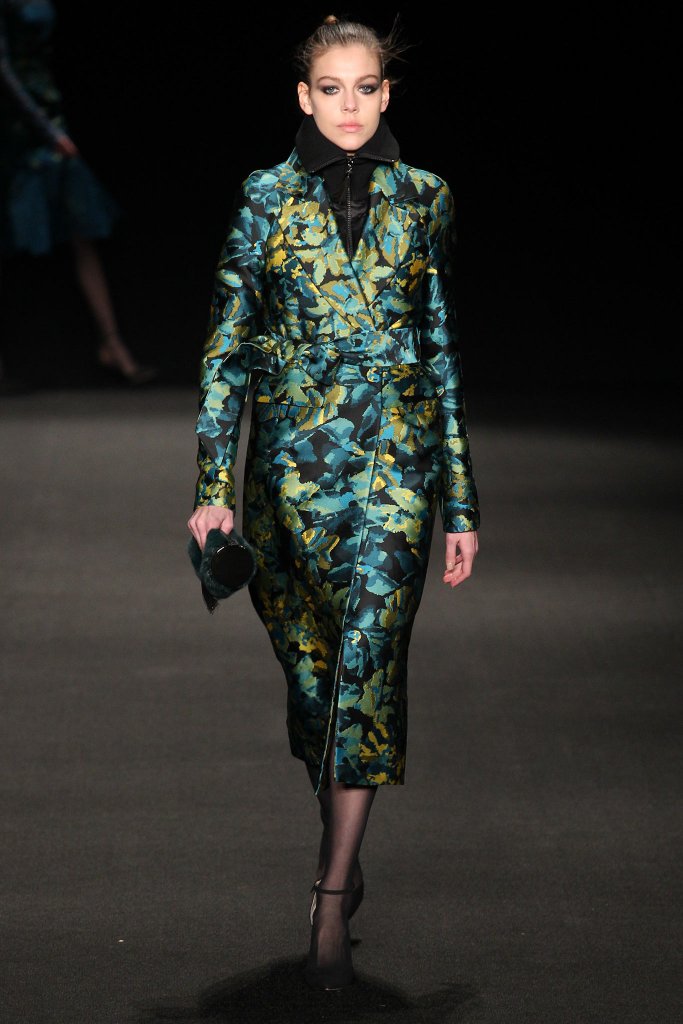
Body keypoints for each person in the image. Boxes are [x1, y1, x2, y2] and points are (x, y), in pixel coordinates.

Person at [187, 14, 480, 991]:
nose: (349, 105)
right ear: (302, 97)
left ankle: (329, 896)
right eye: (330, 88)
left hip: (394, 475)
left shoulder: (425, 198)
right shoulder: (264, 197)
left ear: (386, 94)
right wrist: (211, 489)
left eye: (365, 87)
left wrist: (461, 502)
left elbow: (439, 349)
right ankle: (340, 856)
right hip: (290, 479)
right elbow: (229, 347)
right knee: (317, 689)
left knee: (368, 674)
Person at [0, 0, 156, 388]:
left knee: (81, 226)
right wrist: (45, 129)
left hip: (46, 106)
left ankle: (112, 344)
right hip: (17, 120)